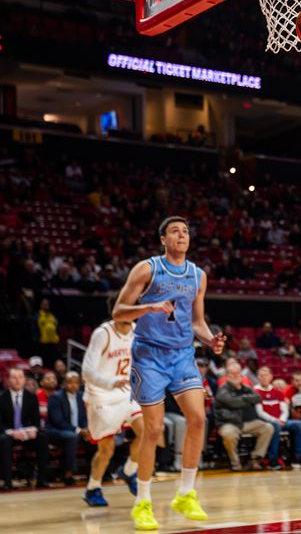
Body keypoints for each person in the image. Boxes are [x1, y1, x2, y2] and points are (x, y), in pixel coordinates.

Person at [113, 216, 225, 530]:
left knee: (199, 418)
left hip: (182, 355)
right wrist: (147, 308)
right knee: (153, 430)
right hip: (149, 355)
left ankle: (186, 493)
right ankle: (143, 502)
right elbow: (118, 311)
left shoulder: (197, 275)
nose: (181, 235)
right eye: (174, 231)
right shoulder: (147, 269)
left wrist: (210, 339)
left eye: (186, 231)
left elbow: (196, 322)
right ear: (163, 239)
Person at [81, 294, 145, 507]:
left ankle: (128, 471)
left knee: (150, 432)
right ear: (114, 311)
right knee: (106, 449)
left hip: (125, 393)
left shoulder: (138, 332)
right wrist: (110, 383)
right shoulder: (103, 334)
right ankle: (93, 487)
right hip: (101, 395)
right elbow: (87, 371)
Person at [214, 361, 274, 471]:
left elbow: (257, 398)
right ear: (227, 376)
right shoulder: (223, 389)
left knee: (268, 428)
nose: (236, 376)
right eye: (232, 374)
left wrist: (241, 399)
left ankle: (255, 459)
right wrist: (247, 400)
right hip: (229, 423)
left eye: (238, 373)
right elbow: (233, 402)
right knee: (228, 434)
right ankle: (235, 463)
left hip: (248, 423)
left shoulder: (246, 387)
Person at [0, 368, 49, 489]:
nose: (17, 380)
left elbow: (36, 420)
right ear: (8, 380)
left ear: (24, 380)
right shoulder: (2, 397)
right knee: (4, 440)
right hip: (9, 433)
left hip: (26, 433)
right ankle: (7, 482)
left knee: (42, 438)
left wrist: (33, 429)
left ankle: (41, 480)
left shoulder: (31, 397)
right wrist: (11, 432)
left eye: (20, 377)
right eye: (14, 378)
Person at [254, 366, 301, 469]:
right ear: (258, 377)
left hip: (280, 421)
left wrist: (282, 419)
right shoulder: (255, 392)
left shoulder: (277, 392)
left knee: (300, 424)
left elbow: (284, 409)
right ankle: (273, 460)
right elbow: (259, 412)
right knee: (275, 426)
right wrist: (275, 420)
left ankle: (299, 458)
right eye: (261, 376)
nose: (264, 378)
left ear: (271, 377)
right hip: (265, 423)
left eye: (266, 375)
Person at [46, 371, 89, 485]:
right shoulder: (55, 397)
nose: (73, 385)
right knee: (71, 437)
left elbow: (83, 417)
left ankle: (95, 472)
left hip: (76, 431)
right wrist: (79, 430)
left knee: (93, 435)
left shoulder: (81, 396)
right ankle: (68, 473)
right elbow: (58, 421)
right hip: (56, 431)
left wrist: (85, 428)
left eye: (76, 382)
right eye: (70, 382)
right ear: (64, 383)